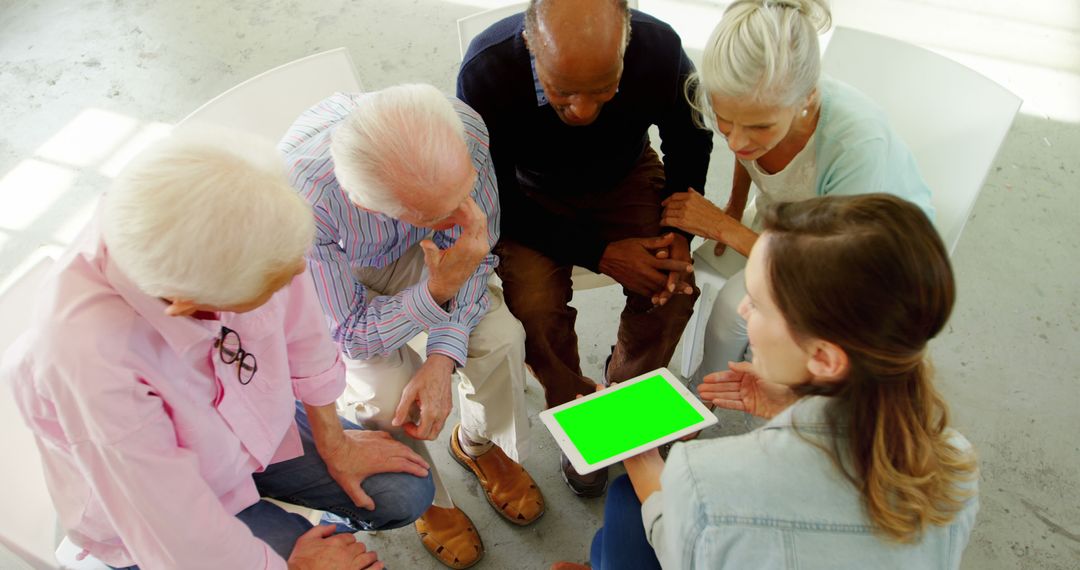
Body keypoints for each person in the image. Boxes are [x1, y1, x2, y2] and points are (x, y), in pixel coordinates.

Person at [0, 129, 436, 570]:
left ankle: (314, 533)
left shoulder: (231, 212)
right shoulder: (90, 360)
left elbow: (303, 324)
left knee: (405, 492)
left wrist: (335, 442)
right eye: (269, 289)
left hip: (250, 423)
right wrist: (287, 567)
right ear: (191, 307)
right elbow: (174, 529)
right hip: (163, 510)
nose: (295, 279)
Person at [556, 193, 979, 569]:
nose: (742, 310)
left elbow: (680, 553)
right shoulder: (955, 462)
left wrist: (641, 458)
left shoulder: (703, 479)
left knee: (627, 500)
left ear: (824, 358)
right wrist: (790, 404)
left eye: (757, 304)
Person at [280, 83, 543, 569]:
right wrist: (436, 291)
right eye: (441, 211)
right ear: (366, 205)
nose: (463, 210)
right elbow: (352, 335)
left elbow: (474, 246)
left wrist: (442, 356)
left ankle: (477, 443)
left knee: (501, 337)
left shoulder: (462, 131)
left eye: (464, 193)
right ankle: (430, 498)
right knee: (385, 393)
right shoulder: (301, 200)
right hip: (345, 276)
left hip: (428, 255)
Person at [457, 0, 713, 497]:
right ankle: (574, 408)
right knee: (534, 306)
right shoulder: (486, 71)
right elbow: (492, 193)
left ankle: (621, 404)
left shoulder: (659, 46)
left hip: (626, 174)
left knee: (672, 285)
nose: (583, 110)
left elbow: (690, 137)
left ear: (626, 45)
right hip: (526, 195)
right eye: (562, 91)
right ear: (531, 47)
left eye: (604, 90)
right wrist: (600, 252)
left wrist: (678, 233)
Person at [660, 0, 934, 382]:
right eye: (724, 120)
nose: (736, 141)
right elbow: (747, 151)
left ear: (807, 99)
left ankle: (704, 394)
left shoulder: (857, 147)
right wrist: (735, 205)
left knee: (734, 309)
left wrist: (724, 227)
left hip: (868, 256)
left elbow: (827, 268)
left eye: (759, 127)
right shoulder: (760, 107)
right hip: (792, 219)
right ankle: (708, 390)